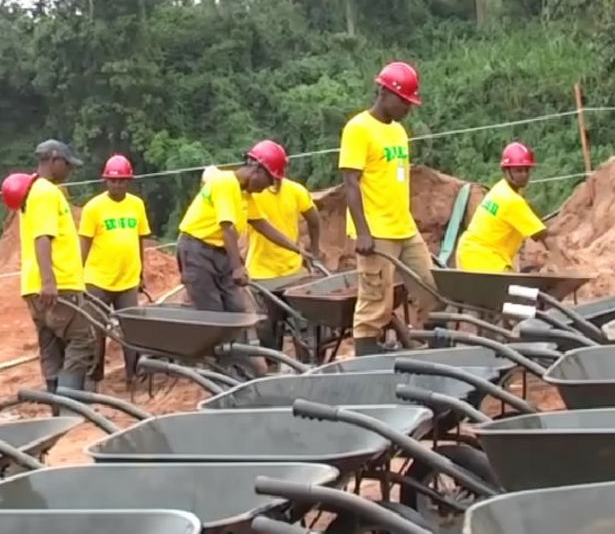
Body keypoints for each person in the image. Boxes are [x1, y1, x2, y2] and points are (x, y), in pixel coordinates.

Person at [341, 61, 441, 355]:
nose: (408, 108)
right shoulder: (358, 129)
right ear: (384, 92)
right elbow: (350, 182)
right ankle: (367, 358)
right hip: (376, 230)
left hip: (404, 227)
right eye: (404, 101)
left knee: (432, 287)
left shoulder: (399, 131)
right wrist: (362, 231)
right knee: (375, 301)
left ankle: (436, 348)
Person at [19, 140, 97, 398]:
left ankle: (56, 403)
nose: (70, 171)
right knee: (83, 339)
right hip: (59, 286)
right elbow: (43, 236)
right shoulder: (46, 193)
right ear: (54, 160)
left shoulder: (32, 191)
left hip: (35, 286)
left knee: (50, 345)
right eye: (67, 164)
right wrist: (49, 281)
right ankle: (70, 402)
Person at [175, 141, 282, 314]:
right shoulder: (225, 182)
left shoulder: (245, 194)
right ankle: (205, 339)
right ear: (258, 169)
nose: (266, 188)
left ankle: (229, 341)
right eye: (269, 181)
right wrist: (237, 267)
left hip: (221, 252)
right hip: (197, 251)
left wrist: (297, 249)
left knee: (236, 309)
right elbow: (227, 228)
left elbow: (262, 225)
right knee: (212, 312)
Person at [79, 154, 151, 388]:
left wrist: (141, 272)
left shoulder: (136, 205)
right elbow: (84, 244)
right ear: (106, 181)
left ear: (128, 181)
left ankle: (134, 375)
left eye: (121, 181)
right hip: (98, 280)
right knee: (96, 330)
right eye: (113, 181)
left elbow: (139, 240)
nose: (117, 185)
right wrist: (78, 278)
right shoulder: (93, 208)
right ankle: (93, 378)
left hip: (128, 279)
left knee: (132, 330)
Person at [246, 140, 324, 353]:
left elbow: (314, 220)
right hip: (263, 272)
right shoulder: (253, 192)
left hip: (292, 271)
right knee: (270, 327)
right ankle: (275, 366)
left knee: (301, 323)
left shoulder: (294, 191)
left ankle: (306, 363)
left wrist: (314, 252)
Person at [454, 142, 558, 272]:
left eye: (526, 169)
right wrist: (560, 260)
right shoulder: (512, 200)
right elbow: (542, 235)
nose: (524, 174)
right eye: (518, 170)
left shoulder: (501, 188)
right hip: (483, 258)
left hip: (468, 251)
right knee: (511, 290)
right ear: (506, 171)